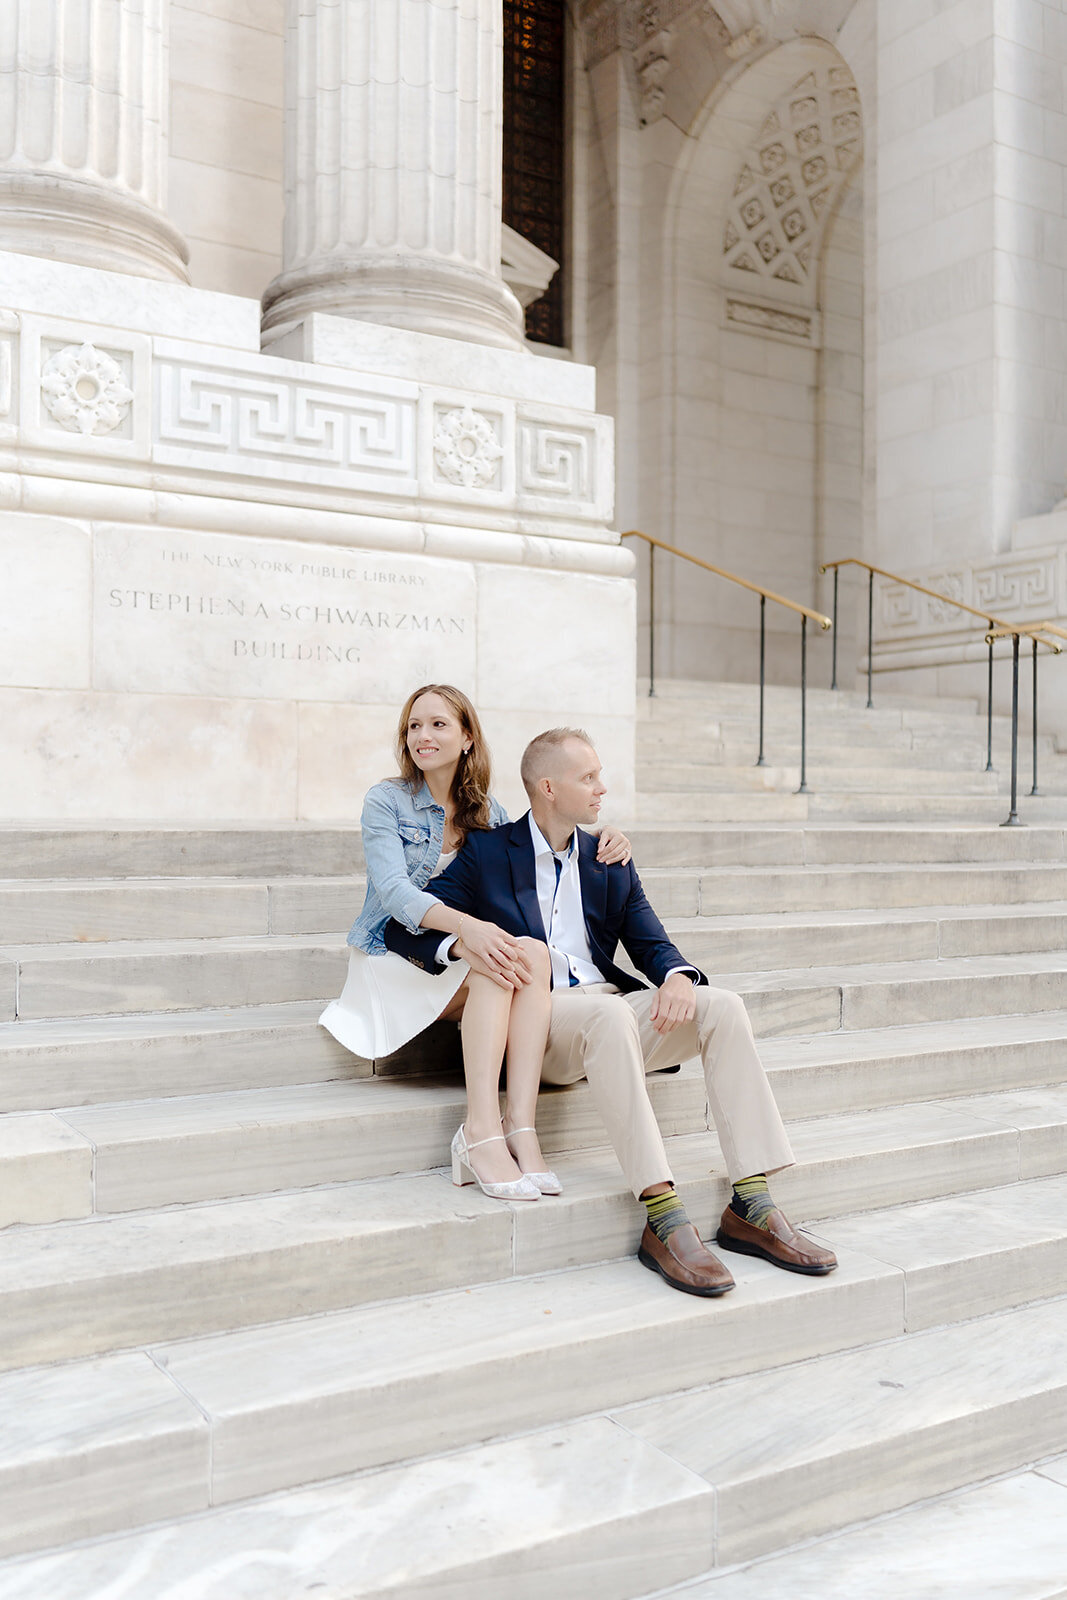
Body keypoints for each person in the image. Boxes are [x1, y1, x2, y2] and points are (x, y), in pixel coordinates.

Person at [384, 726, 837, 1296]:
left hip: (610, 1011)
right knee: (611, 1017)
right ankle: (664, 1214)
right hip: (543, 1021)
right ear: (548, 787)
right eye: (589, 777)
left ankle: (753, 1204)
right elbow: (399, 929)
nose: (603, 787)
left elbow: (651, 941)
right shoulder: (488, 853)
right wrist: (466, 943)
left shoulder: (608, 857)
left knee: (721, 1006)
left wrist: (675, 977)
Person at [319, 687, 632, 1204]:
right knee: (501, 966)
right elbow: (396, 894)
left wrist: (605, 837)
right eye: (414, 726)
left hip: (455, 956)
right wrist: (467, 930)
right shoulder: (386, 801)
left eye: (438, 725)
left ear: (467, 737)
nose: (423, 736)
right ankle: (480, 1130)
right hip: (392, 954)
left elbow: (538, 852)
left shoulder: (491, 812)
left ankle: (520, 1127)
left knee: (529, 954)